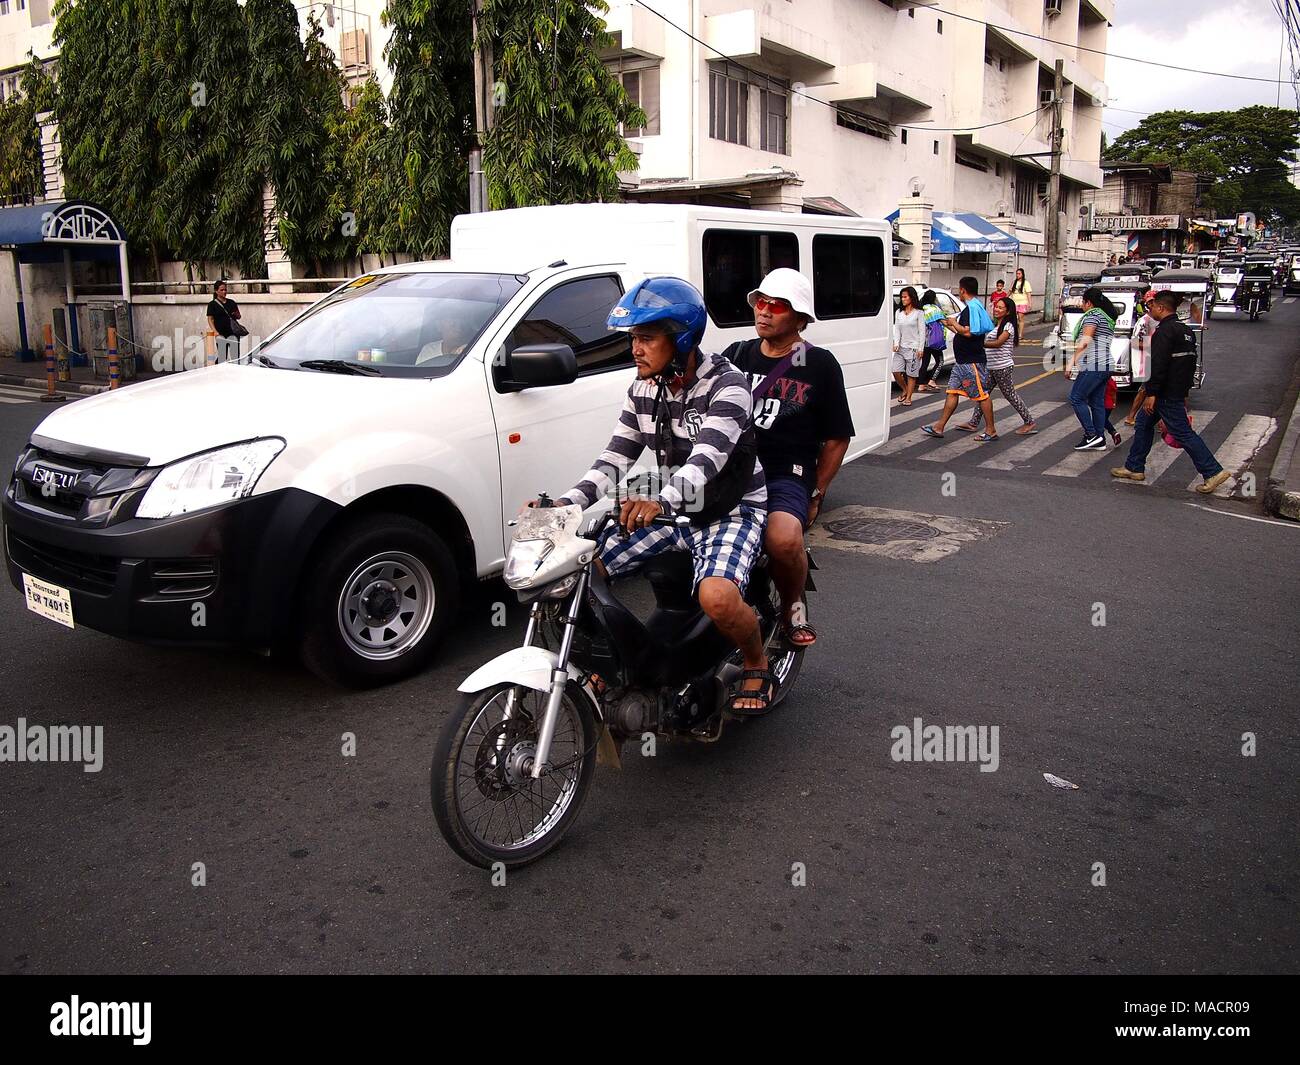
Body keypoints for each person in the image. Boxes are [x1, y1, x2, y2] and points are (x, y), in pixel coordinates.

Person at [546, 277, 777, 714]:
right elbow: (614, 459)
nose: (635, 349)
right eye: (633, 338)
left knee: (718, 597)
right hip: (674, 507)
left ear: (682, 338)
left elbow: (706, 459)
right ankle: (618, 662)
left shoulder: (728, 385)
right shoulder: (642, 389)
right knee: (579, 566)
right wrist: (566, 504)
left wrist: (661, 500)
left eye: (647, 338)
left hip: (730, 509)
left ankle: (756, 660)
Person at [723, 268, 855, 650]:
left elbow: (836, 438)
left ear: (800, 318)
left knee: (782, 539)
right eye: (760, 303)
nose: (763, 311)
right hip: (732, 473)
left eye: (776, 306)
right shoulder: (736, 355)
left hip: (785, 474)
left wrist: (817, 493)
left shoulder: (819, 364)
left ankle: (794, 606)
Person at [1112, 291, 1230, 493]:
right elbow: (1190, 363)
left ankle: (1212, 471)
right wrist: (1184, 391)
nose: (1150, 311)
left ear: (1161, 308)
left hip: (1164, 394)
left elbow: (1158, 365)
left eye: (1152, 307)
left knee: (1183, 433)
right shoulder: (1185, 331)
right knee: (1143, 423)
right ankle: (1134, 467)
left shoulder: (1164, 332)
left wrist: (1151, 394)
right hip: (1174, 389)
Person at [921, 276, 997, 442]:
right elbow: (961, 331)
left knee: (982, 395)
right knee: (952, 392)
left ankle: (991, 430)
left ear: (963, 290)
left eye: (959, 290)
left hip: (972, 361)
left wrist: (954, 323)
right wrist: (946, 322)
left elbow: (968, 332)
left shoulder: (971, 309)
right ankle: (939, 427)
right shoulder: (972, 307)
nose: (958, 292)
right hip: (962, 361)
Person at [960, 294, 1037, 436]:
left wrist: (979, 344)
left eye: (1000, 307)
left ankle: (1029, 421)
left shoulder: (1008, 326)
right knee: (983, 395)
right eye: (996, 306)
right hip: (992, 366)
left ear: (1007, 311)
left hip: (1002, 367)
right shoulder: (998, 325)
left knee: (1010, 395)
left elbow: (998, 343)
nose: (996, 309)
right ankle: (973, 422)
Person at [1065, 286, 1117, 451]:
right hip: (1105, 364)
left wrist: (1071, 362)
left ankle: (1091, 434)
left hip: (1095, 364)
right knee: (1097, 402)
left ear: (1088, 302)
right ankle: (1100, 439)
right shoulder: (1105, 316)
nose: (1081, 305)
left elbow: (1085, 341)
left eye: (1082, 302)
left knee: (1076, 398)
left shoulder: (1093, 316)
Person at [1124, 290, 1158, 426]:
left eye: (1153, 301)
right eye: (1149, 302)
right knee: (1145, 389)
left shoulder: (1160, 319)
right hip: (1147, 361)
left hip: (1156, 359)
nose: (1151, 305)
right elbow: (1135, 341)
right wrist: (1155, 345)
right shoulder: (1144, 321)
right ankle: (1131, 416)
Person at [891, 285, 925, 406]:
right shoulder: (898, 312)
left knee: (911, 374)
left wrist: (920, 348)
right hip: (901, 347)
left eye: (905, 297)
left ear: (911, 297)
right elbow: (897, 330)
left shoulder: (919, 313)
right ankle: (904, 389)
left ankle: (909, 397)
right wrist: (896, 343)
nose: (903, 299)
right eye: (902, 297)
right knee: (895, 370)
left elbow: (922, 331)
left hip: (913, 348)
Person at [206, 280, 244, 361]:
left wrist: (235, 314)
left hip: (233, 333)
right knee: (222, 357)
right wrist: (215, 332)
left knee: (235, 357)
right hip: (220, 333)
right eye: (222, 290)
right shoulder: (212, 304)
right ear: (216, 291)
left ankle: (234, 372)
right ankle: (216, 371)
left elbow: (239, 316)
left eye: (225, 290)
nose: (224, 292)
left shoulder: (231, 302)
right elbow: (210, 319)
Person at [917, 289, 947, 392]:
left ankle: (921, 385)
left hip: (923, 341)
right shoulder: (935, 309)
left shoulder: (920, 309)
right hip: (934, 341)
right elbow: (945, 323)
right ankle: (932, 380)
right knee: (940, 361)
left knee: (925, 363)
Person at [1010, 267, 1032, 333]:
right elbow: (1010, 291)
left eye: (1019, 274)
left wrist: (1030, 303)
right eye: (1017, 274)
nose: (1017, 275)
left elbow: (1028, 294)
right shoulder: (1014, 282)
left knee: (1020, 318)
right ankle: (1014, 333)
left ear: (1022, 274)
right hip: (1014, 303)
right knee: (1013, 319)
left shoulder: (1026, 283)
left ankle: (1020, 334)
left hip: (1022, 303)